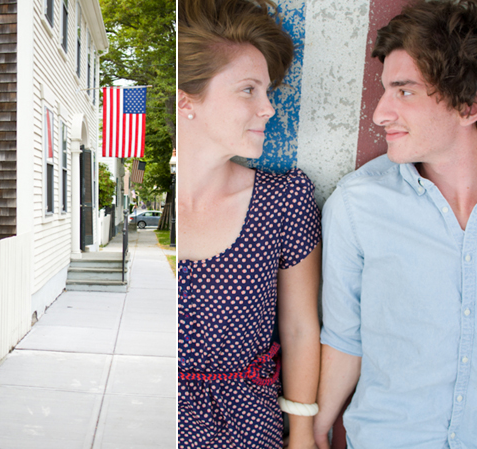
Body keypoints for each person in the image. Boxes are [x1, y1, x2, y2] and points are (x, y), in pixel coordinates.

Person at [314, 1, 477, 447]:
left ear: (468, 105)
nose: (380, 113)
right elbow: (345, 339)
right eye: (385, 90)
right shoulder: (358, 204)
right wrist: (312, 434)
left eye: (404, 91)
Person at [178, 0, 322, 447]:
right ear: (188, 102)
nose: (269, 108)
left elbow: (300, 329)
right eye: (249, 90)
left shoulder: (283, 201)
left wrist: (300, 433)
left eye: (269, 91)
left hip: (246, 428)